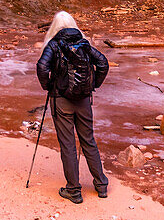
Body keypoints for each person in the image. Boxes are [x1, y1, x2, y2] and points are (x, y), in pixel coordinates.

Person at [36, 11, 109, 204]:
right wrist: (94, 85)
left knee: (68, 144)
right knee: (88, 140)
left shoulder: (53, 44)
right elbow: (102, 63)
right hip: (84, 100)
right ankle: (101, 185)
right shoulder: (84, 43)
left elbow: (42, 68)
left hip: (61, 99)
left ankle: (74, 190)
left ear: (55, 26)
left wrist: (49, 86)